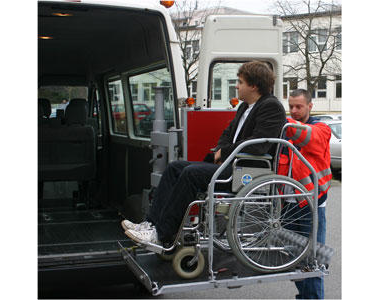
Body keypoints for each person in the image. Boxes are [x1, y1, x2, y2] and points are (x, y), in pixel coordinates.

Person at [121, 61, 286, 248]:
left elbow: (259, 145)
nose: (236, 86)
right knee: (175, 167)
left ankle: (162, 233)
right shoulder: (244, 107)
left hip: (246, 169)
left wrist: (224, 151)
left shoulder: (271, 107)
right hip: (231, 164)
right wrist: (219, 150)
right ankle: (151, 224)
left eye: (240, 82)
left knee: (191, 174)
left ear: (254, 86)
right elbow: (227, 133)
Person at [278, 89, 332, 299]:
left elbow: (307, 136)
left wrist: (278, 117)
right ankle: (305, 296)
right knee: (295, 260)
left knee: (313, 262)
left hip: (312, 205)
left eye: (299, 106)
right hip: (288, 206)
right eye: (290, 106)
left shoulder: (321, 128)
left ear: (310, 106)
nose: (294, 110)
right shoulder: (286, 131)